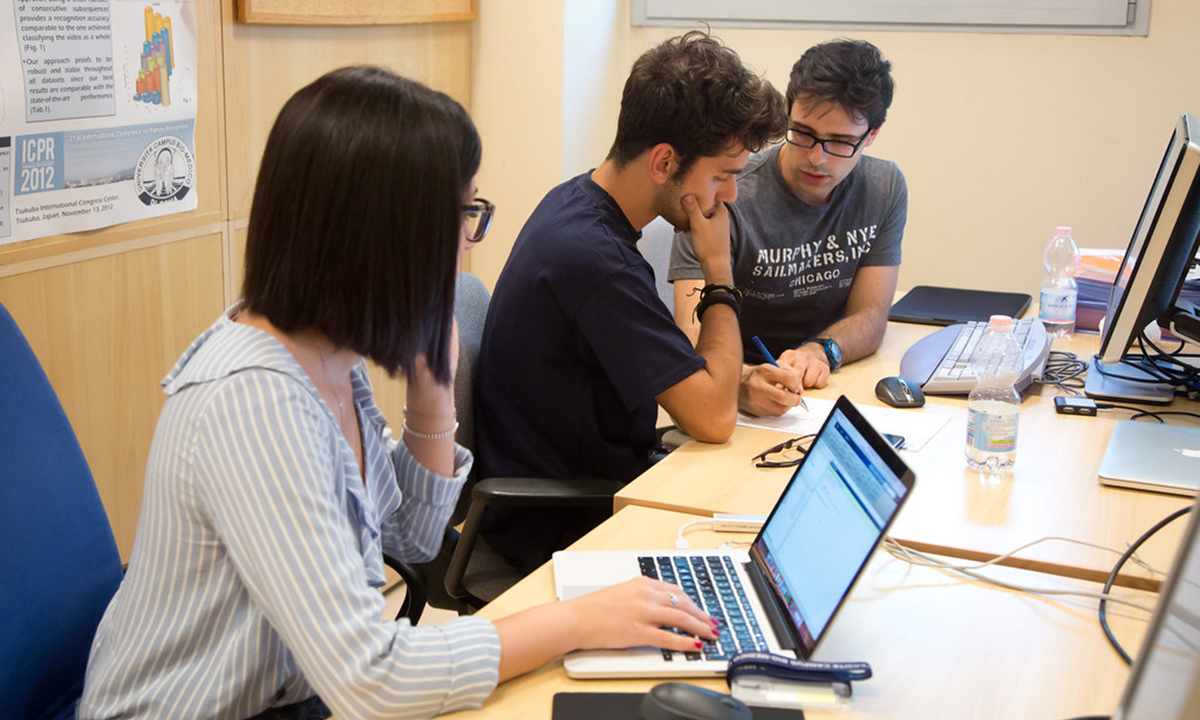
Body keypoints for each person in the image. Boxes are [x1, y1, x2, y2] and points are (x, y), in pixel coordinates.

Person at [78, 66, 717, 720]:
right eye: (465, 213)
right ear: (387, 232)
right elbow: (372, 680)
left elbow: (409, 541)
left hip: (291, 695)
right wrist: (576, 621)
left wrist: (432, 390)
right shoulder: (256, 404)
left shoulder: (326, 356)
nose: (470, 240)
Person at [474, 32, 786, 573]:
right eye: (723, 176)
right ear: (665, 162)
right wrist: (718, 271)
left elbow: (653, 371)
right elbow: (712, 419)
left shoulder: (576, 201)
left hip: (592, 486)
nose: (730, 197)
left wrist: (731, 382)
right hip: (567, 528)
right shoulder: (597, 261)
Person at [670, 39, 907, 418]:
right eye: (803, 133)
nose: (817, 158)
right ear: (786, 112)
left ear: (872, 136)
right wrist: (742, 381)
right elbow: (690, 332)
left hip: (822, 389)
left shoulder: (884, 187)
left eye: (841, 143)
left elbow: (871, 317)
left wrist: (822, 349)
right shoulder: (726, 191)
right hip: (734, 392)